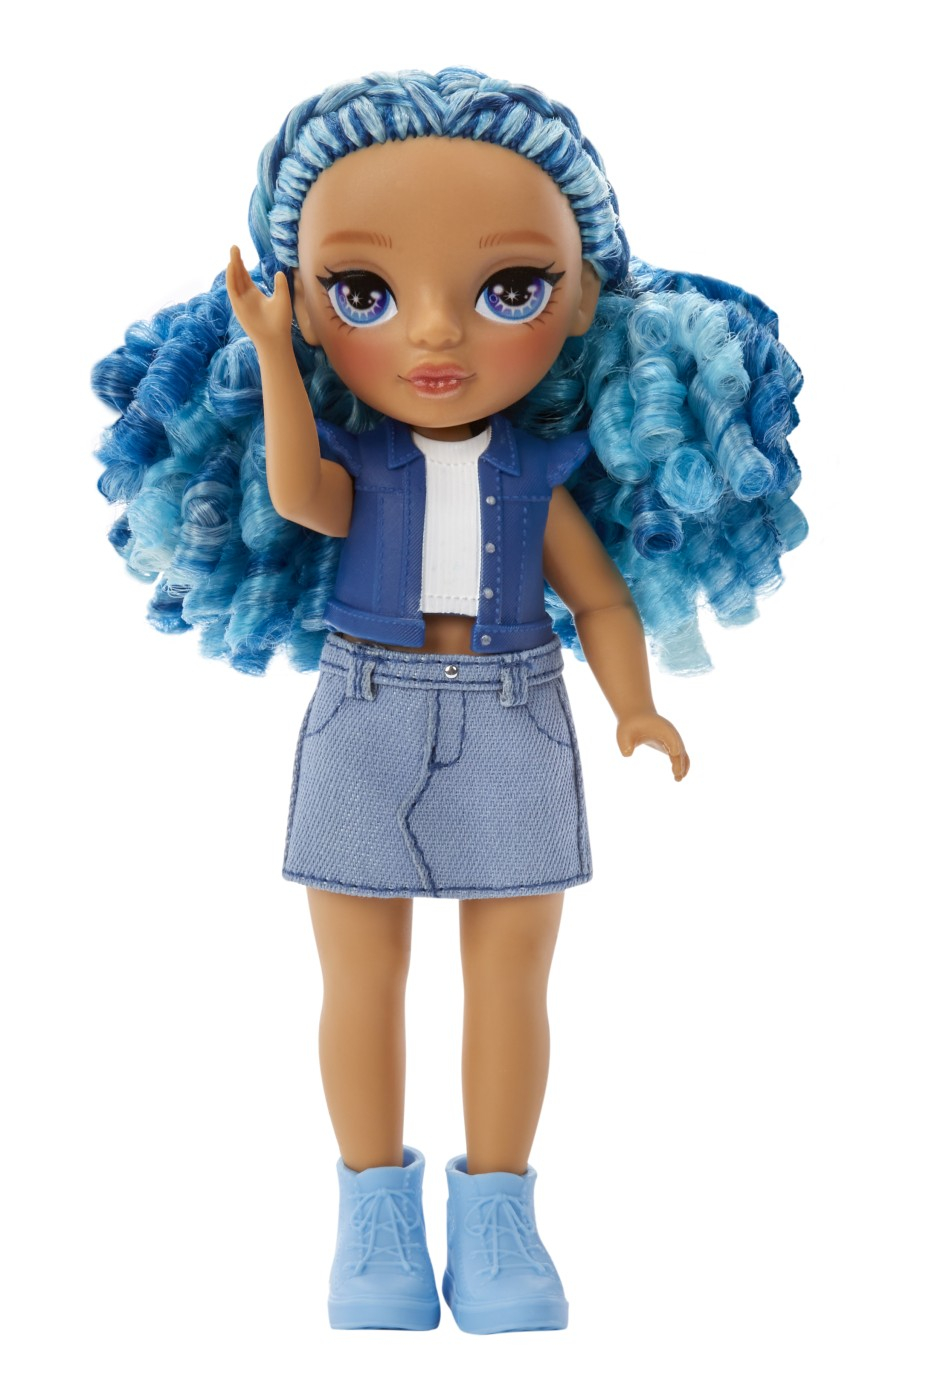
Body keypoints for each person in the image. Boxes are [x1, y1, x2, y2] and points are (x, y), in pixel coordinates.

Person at [92, 67, 806, 1334]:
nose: (432, 333)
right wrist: (270, 357)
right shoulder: (355, 458)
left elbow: (599, 600)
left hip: (514, 708)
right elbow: (300, 495)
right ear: (311, 306)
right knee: (358, 973)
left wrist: (633, 703)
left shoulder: (540, 469)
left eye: (506, 287)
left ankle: (497, 1216)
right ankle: (371, 1216)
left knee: (510, 976)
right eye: (363, 292)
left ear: (577, 297)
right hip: (365, 705)